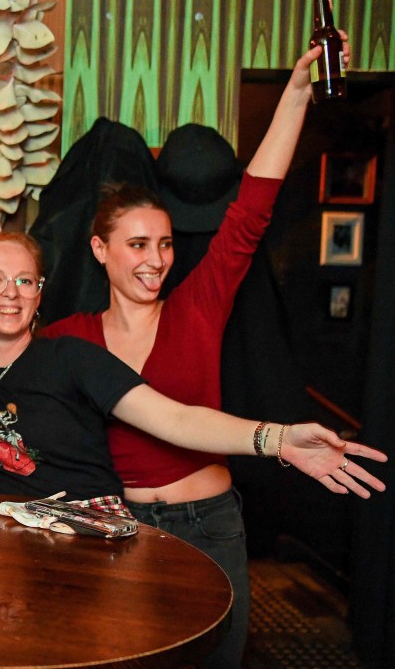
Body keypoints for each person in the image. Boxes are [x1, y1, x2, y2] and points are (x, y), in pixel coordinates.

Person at [42, 43, 346, 668]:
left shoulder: (197, 306)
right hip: (123, 530)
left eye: (165, 244)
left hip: (210, 526)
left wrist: (293, 98)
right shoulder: (69, 337)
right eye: (137, 244)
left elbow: (252, 208)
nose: (155, 260)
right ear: (100, 249)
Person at [0, 232, 385, 506]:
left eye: (25, 281)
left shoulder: (69, 357)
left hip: (90, 542)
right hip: (22, 541)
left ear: (38, 295)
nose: (10, 293)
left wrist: (280, 440)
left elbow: (175, 418)